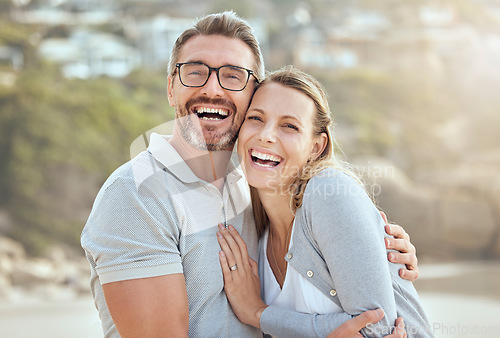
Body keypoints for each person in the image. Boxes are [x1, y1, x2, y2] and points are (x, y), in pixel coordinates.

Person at [81, 11, 420, 337]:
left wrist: (381, 250)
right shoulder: (135, 195)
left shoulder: (253, 186)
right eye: (195, 72)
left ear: (252, 94)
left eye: (232, 75)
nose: (212, 89)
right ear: (171, 87)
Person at [216, 66, 432, 337]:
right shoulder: (252, 230)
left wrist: (259, 314)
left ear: (316, 147)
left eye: (289, 126)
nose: (266, 135)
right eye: (256, 118)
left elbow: (373, 328)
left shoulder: (329, 191)